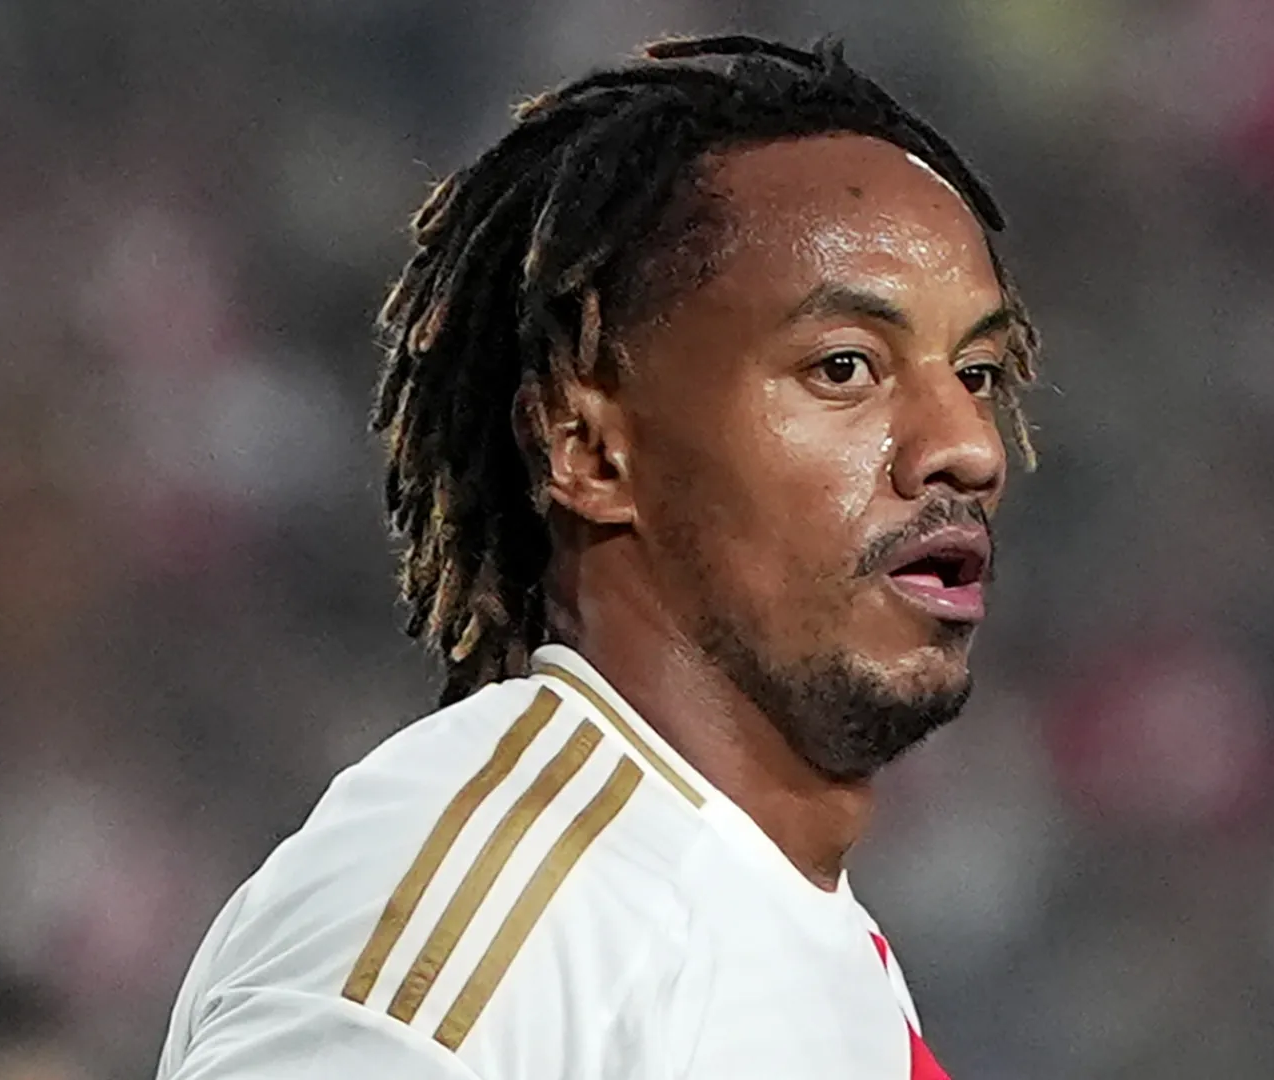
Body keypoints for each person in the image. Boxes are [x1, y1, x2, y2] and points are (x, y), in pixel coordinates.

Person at [157, 33, 1039, 1079]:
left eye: (977, 372)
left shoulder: (786, 925)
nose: (969, 446)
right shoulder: (507, 915)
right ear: (588, 449)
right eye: (844, 367)